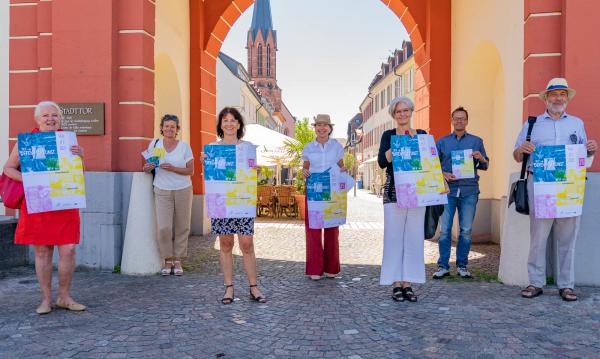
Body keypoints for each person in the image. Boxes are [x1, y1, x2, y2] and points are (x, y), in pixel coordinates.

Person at [514, 78, 597, 301]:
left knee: (568, 238)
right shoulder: (532, 124)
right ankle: (535, 282)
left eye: (562, 94)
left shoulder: (577, 124)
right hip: (540, 186)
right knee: (538, 237)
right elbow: (516, 155)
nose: (558, 98)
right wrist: (522, 149)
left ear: (567, 98)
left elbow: (584, 158)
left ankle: (566, 285)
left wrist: (590, 150)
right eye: (554, 94)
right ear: (546, 98)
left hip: (569, 187)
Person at [3, 101, 86, 314]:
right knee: (43, 251)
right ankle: (46, 299)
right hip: (38, 202)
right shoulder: (27, 142)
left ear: (60, 119)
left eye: (54, 115)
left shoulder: (67, 140)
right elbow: (9, 169)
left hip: (64, 202)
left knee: (68, 249)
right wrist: (30, 179)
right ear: (37, 120)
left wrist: (80, 157)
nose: (50, 119)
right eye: (46, 116)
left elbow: (77, 173)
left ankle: (64, 297)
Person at [378, 96, 447, 302]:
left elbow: (431, 162)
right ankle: (396, 284)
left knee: (413, 238)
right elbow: (382, 161)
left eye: (406, 110)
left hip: (418, 192)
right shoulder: (388, 135)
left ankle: (408, 283)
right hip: (394, 192)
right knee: (394, 238)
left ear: (411, 112)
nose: (402, 114)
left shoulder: (423, 135)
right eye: (398, 111)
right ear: (393, 115)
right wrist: (398, 145)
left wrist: (439, 183)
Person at [204, 107, 266, 304]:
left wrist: (256, 171)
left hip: (242, 202)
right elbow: (210, 179)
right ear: (221, 125)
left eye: (233, 120)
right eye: (225, 120)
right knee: (226, 243)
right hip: (222, 204)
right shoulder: (213, 149)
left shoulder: (247, 148)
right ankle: (229, 287)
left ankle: (253, 286)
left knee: (247, 244)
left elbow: (253, 175)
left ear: (239, 124)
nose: (229, 124)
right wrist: (206, 164)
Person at [433, 106, 489, 279]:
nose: (459, 121)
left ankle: (462, 266)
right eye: (456, 118)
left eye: (462, 118)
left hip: (469, 190)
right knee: (445, 230)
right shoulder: (442, 142)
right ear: (452, 120)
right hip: (448, 191)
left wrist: (481, 158)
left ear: (467, 121)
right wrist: (442, 173)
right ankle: (443, 266)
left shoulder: (476, 141)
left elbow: (485, 165)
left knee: (465, 230)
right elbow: (432, 165)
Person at [143, 114, 194, 276]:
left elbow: (190, 171)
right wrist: (148, 167)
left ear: (177, 129)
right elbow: (147, 167)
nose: (169, 129)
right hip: (161, 189)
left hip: (183, 188)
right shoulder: (155, 144)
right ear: (162, 128)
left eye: (173, 126)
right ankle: (167, 259)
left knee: (182, 225)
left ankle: (178, 259)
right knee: (164, 227)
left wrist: (173, 168)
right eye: (166, 126)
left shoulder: (184, 146)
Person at [301, 114, 346, 281]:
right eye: (318, 125)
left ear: (330, 128)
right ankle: (315, 268)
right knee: (313, 229)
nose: (321, 128)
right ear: (315, 128)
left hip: (332, 190)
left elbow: (341, 166)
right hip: (314, 190)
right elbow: (305, 168)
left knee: (332, 229)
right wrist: (304, 172)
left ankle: (331, 268)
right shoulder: (308, 147)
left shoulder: (336, 146)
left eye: (324, 125)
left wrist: (343, 171)